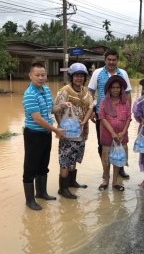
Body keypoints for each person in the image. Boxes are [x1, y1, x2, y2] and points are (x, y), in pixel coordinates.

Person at [22, 62, 72, 211]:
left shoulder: (46, 90)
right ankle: (29, 201)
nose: (40, 78)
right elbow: (38, 119)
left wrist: (62, 105)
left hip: (46, 134)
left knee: (43, 165)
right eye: (37, 75)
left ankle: (42, 193)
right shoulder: (29, 94)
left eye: (43, 74)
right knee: (30, 168)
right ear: (30, 76)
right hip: (33, 135)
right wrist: (56, 130)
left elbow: (51, 109)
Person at [88, 50, 132, 178]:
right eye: (109, 59)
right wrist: (91, 111)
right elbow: (90, 92)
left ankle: (120, 168)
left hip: (121, 114)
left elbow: (128, 93)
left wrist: (128, 112)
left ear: (117, 61)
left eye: (114, 60)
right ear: (105, 60)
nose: (111, 62)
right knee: (103, 143)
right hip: (102, 115)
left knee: (121, 141)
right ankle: (105, 169)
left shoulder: (123, 73)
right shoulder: (97, 73)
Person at [54, 63, 94, 199]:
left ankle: (71, 182)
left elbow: (91, 107)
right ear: (71, 76)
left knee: (75, 156)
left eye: (82, 76)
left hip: (82, 131)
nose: (79, 78)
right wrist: (61, 126)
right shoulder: (65, 91)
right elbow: (57, 109)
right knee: (65, 159)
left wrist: (84, 122)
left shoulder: (86, 91)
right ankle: (63, 188)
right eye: (76, 75)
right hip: (68, 132)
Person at [98, 75, 131, 191]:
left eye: (118, 87)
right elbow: (101, 117)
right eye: (113, 88)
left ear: (121, 89)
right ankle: (106, 181)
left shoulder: (125, 102)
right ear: (109, 89)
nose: (115, 90)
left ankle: (115, 181)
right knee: (106, 161)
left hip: (121, 137)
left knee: (118, 159)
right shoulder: (103, 101)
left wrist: (123, 132)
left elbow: (128, 118)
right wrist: (112, 132)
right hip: (107, 136)